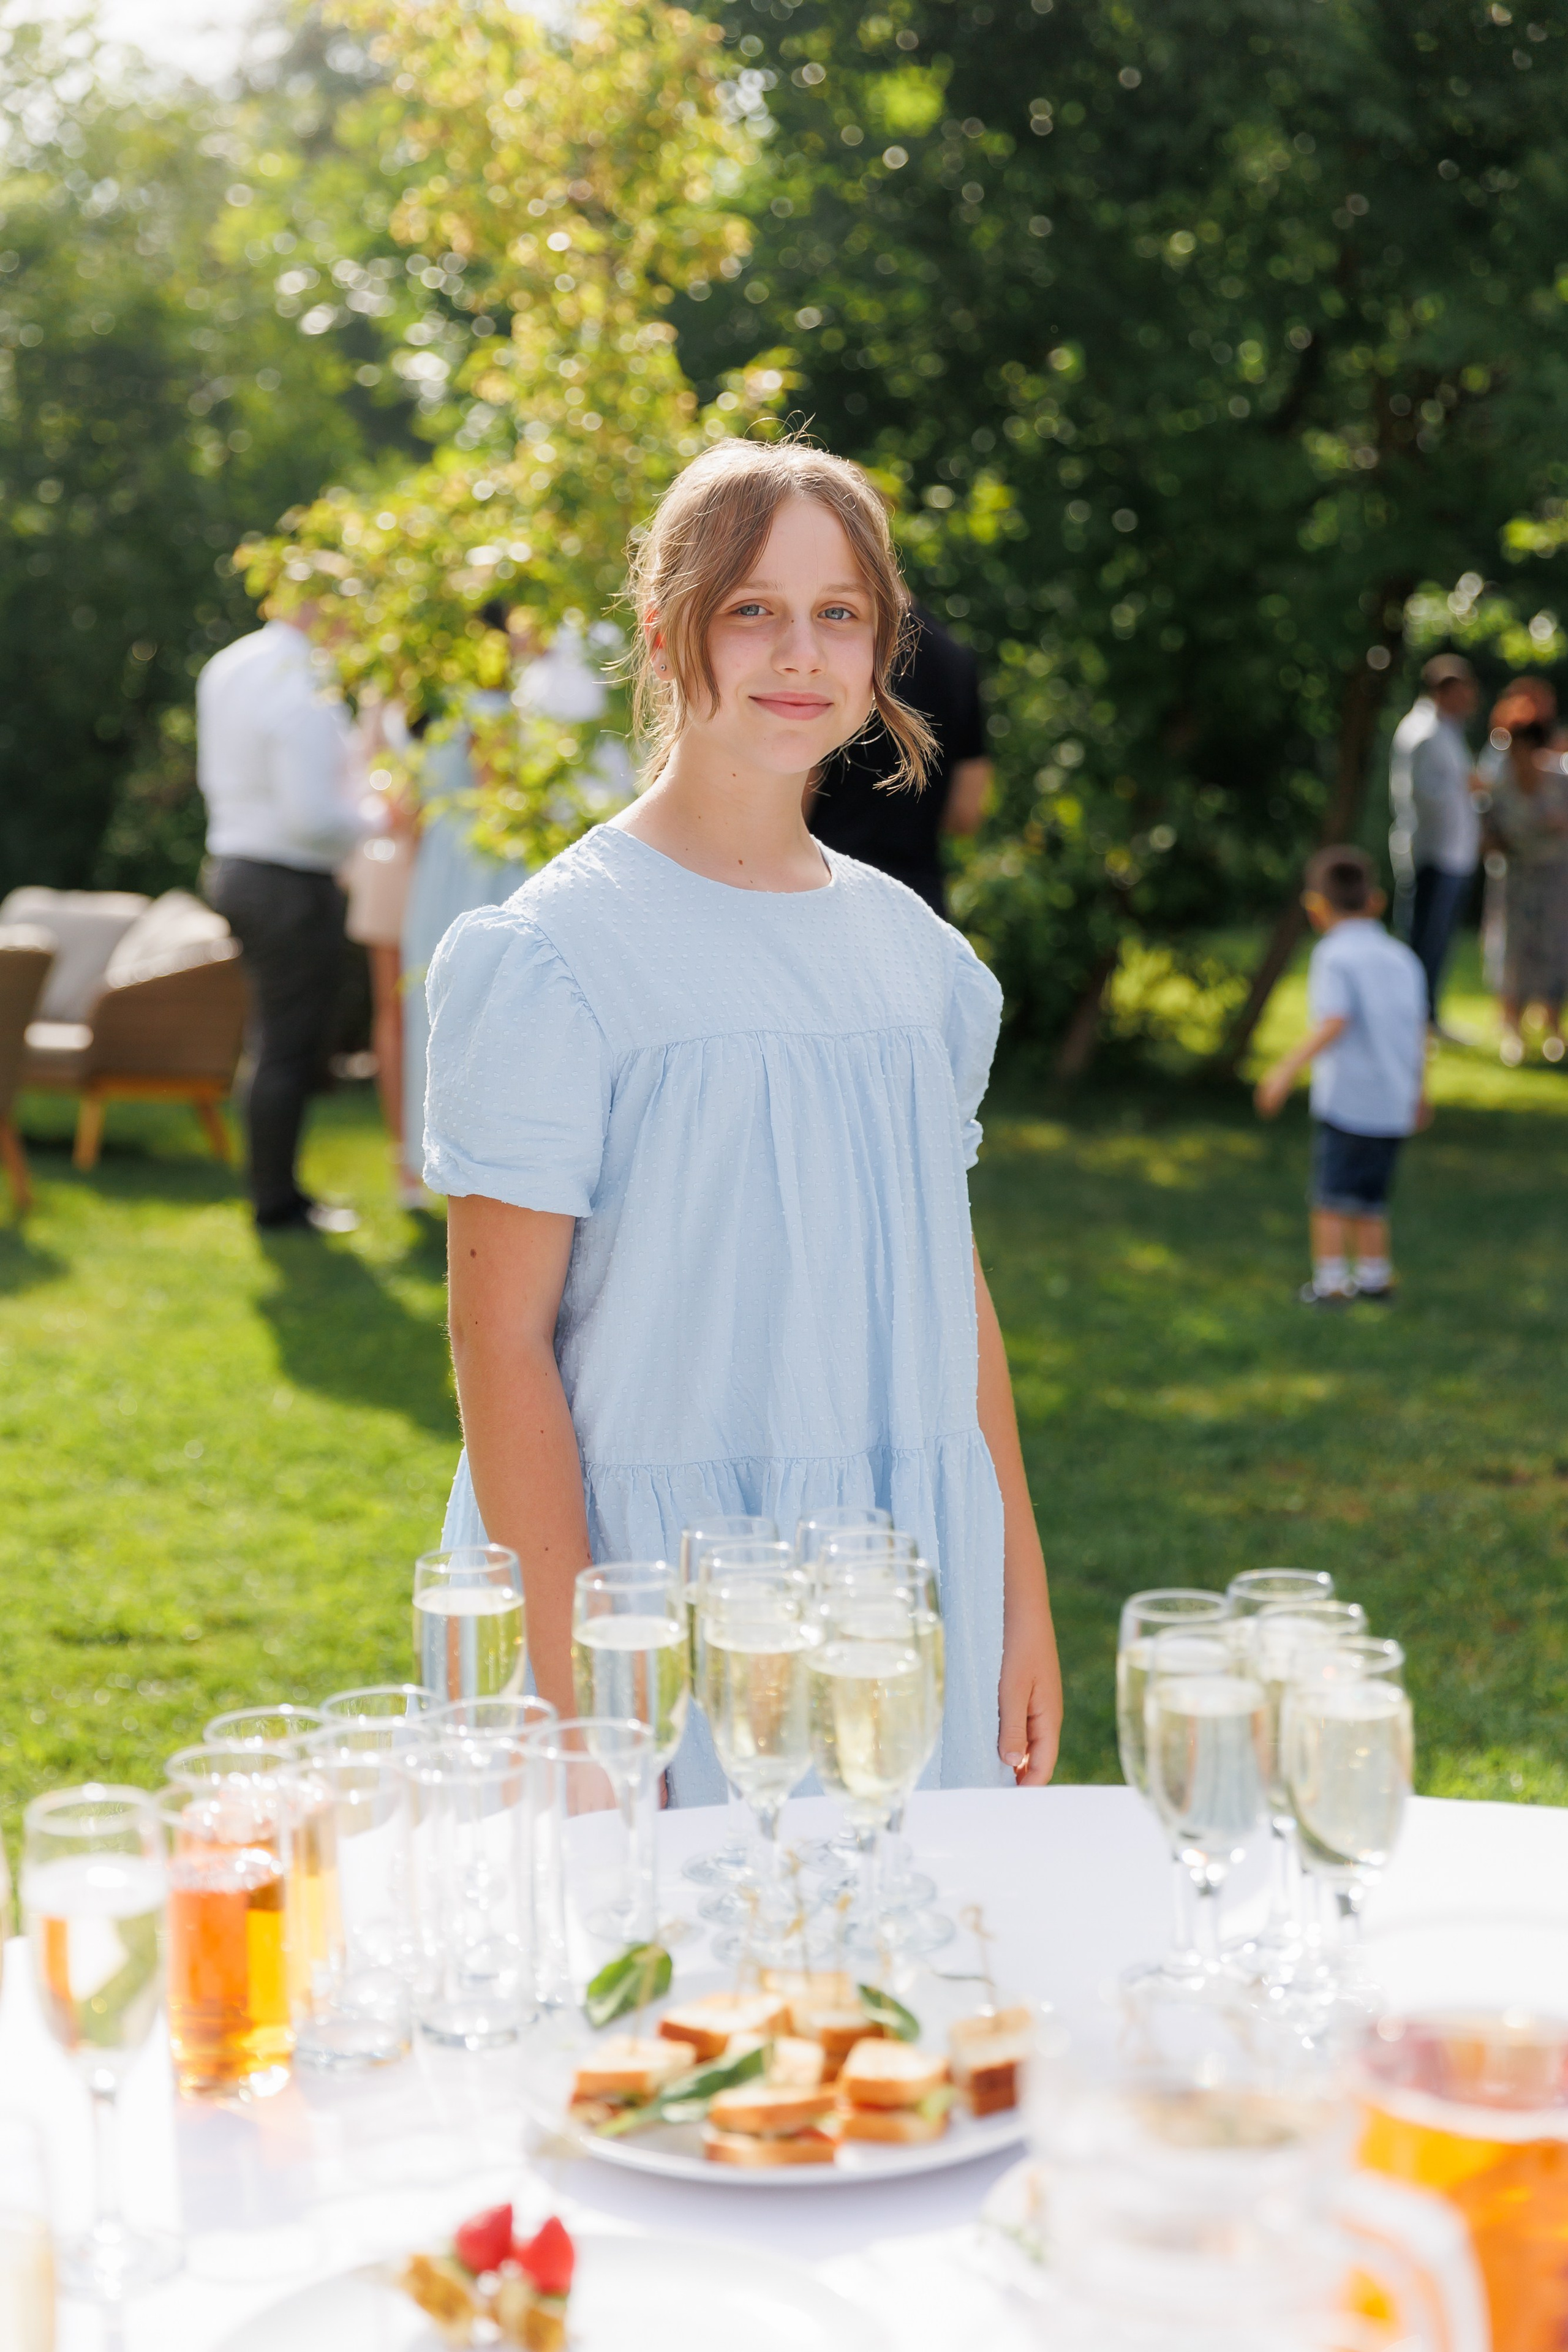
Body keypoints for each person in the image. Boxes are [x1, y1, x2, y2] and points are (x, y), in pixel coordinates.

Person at [422, 438, 1062, 1803]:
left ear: (882, 650)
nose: (799, 652)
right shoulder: (552, 954)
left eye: (840, 612)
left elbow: (952, 1291)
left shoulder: (918, 962)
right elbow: (498, 1340)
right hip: (641, 1609)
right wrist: (588, 1696)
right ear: (666, 635)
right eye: (751, 608)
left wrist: (1019, 1588)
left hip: (894, 1597)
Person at [198, 600, 363, 1234]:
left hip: (237, 868)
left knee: (274, 1042)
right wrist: (381, 821)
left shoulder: (230, 663)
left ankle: (277, 1192)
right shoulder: (303, 682)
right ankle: (277, 1203)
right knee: (286, 1048)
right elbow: (313, 819)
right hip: (287, 881)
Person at [1255, 846, 1429, 1305]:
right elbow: (1418, 1031)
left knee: (1331, 1197)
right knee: (1371, 1197)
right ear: (1375, 901)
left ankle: (1330, 1283)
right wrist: (1420, 1091)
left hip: (1350, 1100)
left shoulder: (1334, 956)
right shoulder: (1402, 957)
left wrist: (1284, 1070)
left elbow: (1334, 1020)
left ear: (1315, 907)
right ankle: (1375, 1278)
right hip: (1394, 1098)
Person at [807, 603, 990, 916]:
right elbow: (966, 814)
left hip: (825, 890)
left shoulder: (828, 652)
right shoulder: (956, 659)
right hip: (918, 904)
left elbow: (799, 793)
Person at [1387, 652, 1481, 1033]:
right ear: (1445, 691)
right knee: (1422, 939)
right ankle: (1413, 1015)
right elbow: (1426, 796)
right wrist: (1469, 788)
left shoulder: (1447, 730)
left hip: (1452, 852)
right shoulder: (1424, 732)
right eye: (1464, 692)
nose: (1470, 700)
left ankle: (1427, 1015)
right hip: (1433, 852)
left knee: (1437, 940)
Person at [1487, 718, 1568, 1065]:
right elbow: (1489, 834)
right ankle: (1513, 1029)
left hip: (1556, 877)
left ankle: (1554, 1028)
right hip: (1517, 876)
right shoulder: (1501, 787)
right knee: (1513, 950)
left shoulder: (1561, 781)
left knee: (1556, 948)